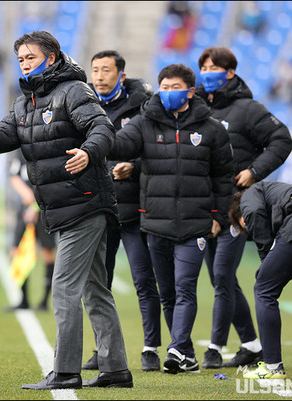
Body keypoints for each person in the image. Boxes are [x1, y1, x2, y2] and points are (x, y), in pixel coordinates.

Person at [0, 30, 132, 390]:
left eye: (31, 58)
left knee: (63, 290)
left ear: (51, 57)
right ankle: (115, 369)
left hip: (86, 202)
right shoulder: (24, 102)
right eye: (20, 60)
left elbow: (102, 128)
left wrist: (88, 152)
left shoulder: (74, 91)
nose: (25, 64)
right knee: (95, 290)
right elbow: (0, 139)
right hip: (62, 207)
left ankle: (65, 372)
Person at [109, 63, 234, 374]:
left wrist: (217, 215)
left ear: (190, 92)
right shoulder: (143, 123)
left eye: (175, 87)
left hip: (196, 222)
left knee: (185, 287)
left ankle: (176, 348)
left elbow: (223, 177)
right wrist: (98, 137)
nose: (168, 93)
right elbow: (121, 144)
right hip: (155, 222)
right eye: (164, 87)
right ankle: (186, 352)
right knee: (167, 292)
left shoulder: (212, 129)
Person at [195, 46, 292, 369]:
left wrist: (254, 171)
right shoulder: (195, 106)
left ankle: (216, 347)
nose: (207, 72)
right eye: (203, 67)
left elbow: (281, 139)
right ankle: (251, 343)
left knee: (223, 274)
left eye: (214, 67)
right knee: (220, 278)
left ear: (230, 72)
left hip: (236, 205)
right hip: (204, 205)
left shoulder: (248, 109)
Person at [81, 50, 161, 373]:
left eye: (106, 70)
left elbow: (159, 149)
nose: (99, 76)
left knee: (144, 279)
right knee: (101, 283)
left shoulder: (143, 106)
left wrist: (135, 167)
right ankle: (103, 351)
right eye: (95, 70)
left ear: (121, 75)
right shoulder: (83, 104)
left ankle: (151, 347)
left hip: (134, 208)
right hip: (100, 206)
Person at [228, 181, 292, 379]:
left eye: (243, 224)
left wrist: (266, 259)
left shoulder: (248, 196)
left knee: (264, 289)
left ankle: (273, 366)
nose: (247, 228)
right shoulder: (280, 191)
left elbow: (255, 213)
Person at [6, 149, 57, 311]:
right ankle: (24, 300)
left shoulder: (47, 152)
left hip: (44, 211)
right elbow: (14, 176)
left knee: (47, 253)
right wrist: (26, 195)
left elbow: (51, 182)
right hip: (24, 211)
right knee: (16, 252)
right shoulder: (21, 152)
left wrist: (35, 205)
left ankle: (44, 302)